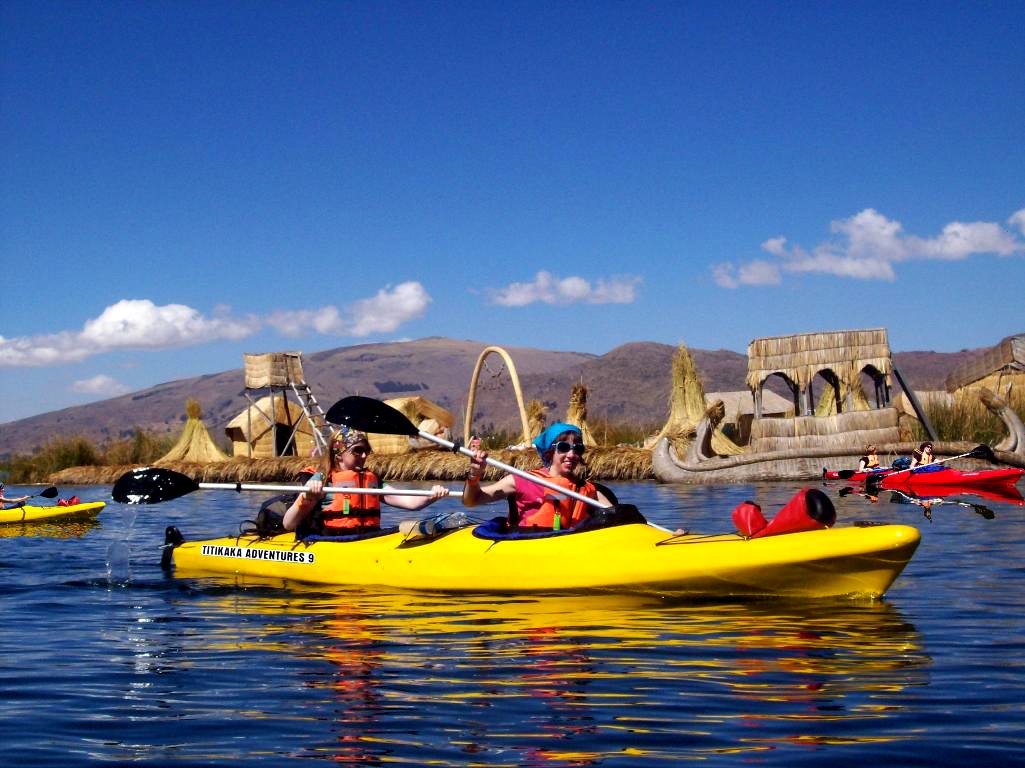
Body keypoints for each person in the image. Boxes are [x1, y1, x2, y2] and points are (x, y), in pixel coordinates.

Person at [282, 428, 448, 535]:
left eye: (366, 450)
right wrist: (307, 496)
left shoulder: (372, 480)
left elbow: (410, 503)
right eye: (357, 451)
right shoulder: (321, 479)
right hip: (334, 544)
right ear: (339, 454)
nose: (364, 456)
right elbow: (289, 523)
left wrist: (431, 496)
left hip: (368, 539)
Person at [462, 422, 614, 531]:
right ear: (549, 452)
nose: (571, 454)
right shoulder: (522, 481)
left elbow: (618, 516)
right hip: (528, 547)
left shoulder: (588, 490)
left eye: (577, 449)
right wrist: (474, 474)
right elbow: (471, 500)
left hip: (567, 550)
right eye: (563, 447)